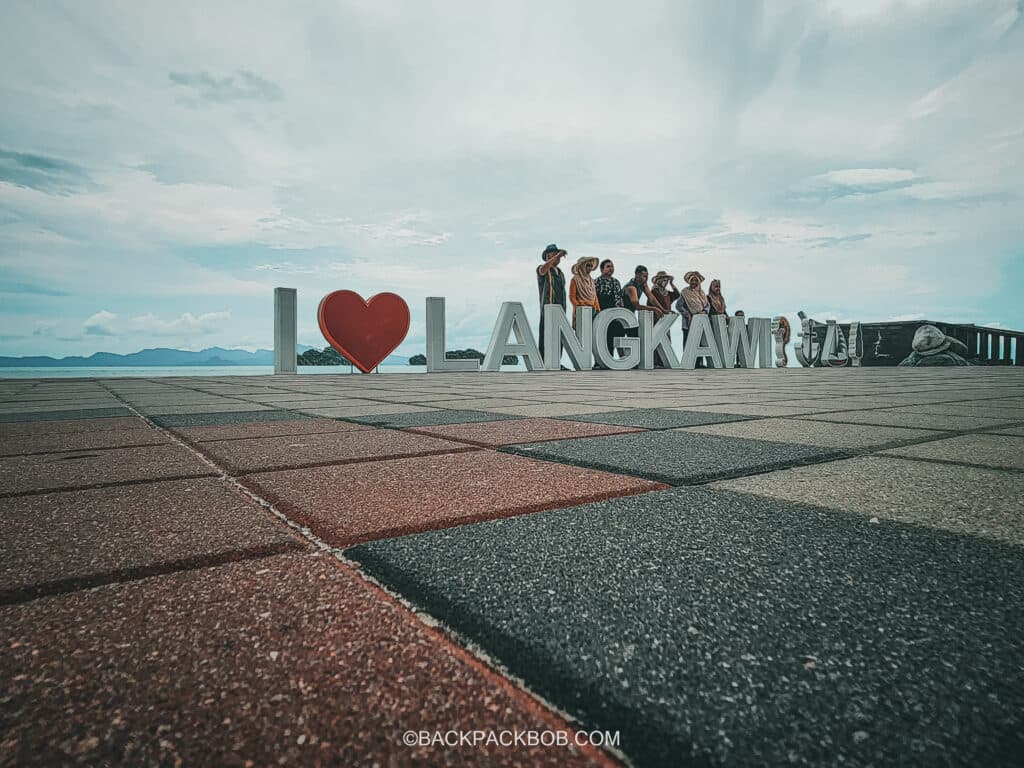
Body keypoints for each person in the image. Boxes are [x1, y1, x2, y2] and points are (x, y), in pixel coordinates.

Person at [536, 243, 567, 358]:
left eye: (557, 255)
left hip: (561, 309)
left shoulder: (561, 273)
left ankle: (557, 361)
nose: (557, 257)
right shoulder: (542, 268)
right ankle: (544, 361)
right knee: (546, 335)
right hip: (548, 308)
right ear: (548, 256)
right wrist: (558, 255)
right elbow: (543, 270)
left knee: (559, 336)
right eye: (553, 254)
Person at [623, 266, 665, 349]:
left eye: (647, 276)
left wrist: (662, 309)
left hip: (629, 317)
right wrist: (654, 309)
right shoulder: (631, 287)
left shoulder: (643, 284)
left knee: (635, 340)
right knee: (620, 340)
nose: (646, 278)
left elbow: (651, 298)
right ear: (637, 275)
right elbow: (637, 306)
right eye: (644, 276)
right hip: (620, 317)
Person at [594, 259, 625, 365]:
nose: (611, 268)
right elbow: (594, 299)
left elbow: (619, 299)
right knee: (601, 338)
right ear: (602, 269)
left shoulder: (616, 282)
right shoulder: (596, 281)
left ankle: (612, 360)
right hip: (601, 313)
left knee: (614, 337)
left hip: (614, 314)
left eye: (612, 266)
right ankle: (599, 362)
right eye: (608, 266)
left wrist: (620, 313)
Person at [676, 270, 710, 367]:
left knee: (699, 342)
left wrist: (704, 311)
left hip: (701, 320)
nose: (694, 282)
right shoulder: (685, 292)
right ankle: (688, 362)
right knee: (688, 341)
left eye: (696, 280)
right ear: (689, 281)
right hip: (689, 321)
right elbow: (679, 306)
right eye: (692, 280)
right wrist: (687, 313)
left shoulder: (702, 293)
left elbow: (707, 305)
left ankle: (699, 363)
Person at [648, 271, 680, 367]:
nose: (665, 282)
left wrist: (672, 284)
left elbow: (677, 295)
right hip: (657, 318)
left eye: (666, 280)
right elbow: (652, 303)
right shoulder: (654, 291)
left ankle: (664, 361)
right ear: (658, 280)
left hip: (666, 319)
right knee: (656, 340)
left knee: (666, 339)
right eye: (664, 280)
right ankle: (656, 362)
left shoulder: (666, 293)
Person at [568, 256, 600, 330]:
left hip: (593, 310)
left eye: (591, 266)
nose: (590, 268)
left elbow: (594, 296)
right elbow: (572, 297)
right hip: (582, 310)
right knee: (582, 332)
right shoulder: (575, 280)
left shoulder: (591, 281)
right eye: (588, 265)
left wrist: (598, 310)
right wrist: (579, 306)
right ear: (582, 266)